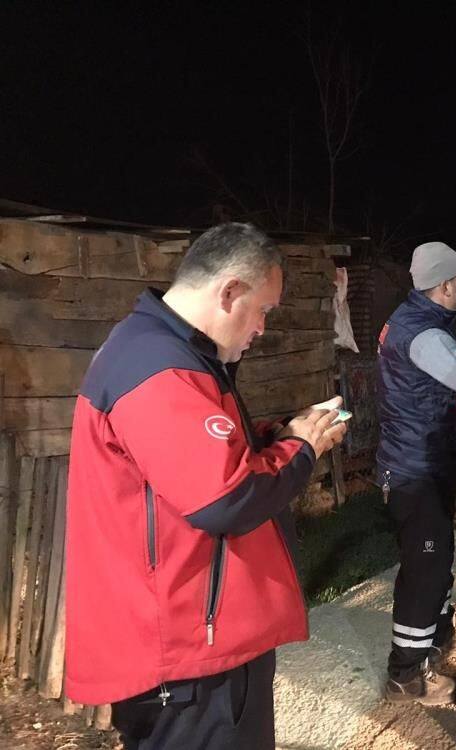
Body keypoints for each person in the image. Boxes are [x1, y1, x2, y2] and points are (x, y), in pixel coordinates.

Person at [64, 223, 348, 749]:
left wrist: (279, 435)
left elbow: (200, 461)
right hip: (190, 655)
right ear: (229, 291)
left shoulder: (167, 351)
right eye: (263, 310)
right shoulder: (160, 369)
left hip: (191, 642)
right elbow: (227, 498)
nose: (262, 327)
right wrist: (301, 448)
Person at [376, 241, 456, 704]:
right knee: (425, 569)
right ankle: (406, 674)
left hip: (421, 463)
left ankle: (437, 642)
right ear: (444, 286)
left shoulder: (414, 322)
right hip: (415, 469)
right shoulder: (426, 337)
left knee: (436, 560)